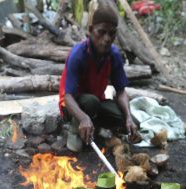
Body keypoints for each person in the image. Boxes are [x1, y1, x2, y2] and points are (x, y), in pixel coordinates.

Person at [58, 5, 139, 152]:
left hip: (97, 102)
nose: (107, 38)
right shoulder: (78, 54)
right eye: (101, 32)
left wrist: (128, 118)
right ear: (90, 30)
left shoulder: (114, 55)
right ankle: (75, 130)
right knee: (91, 102)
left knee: (131, 121)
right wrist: (83, 118)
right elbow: (68, 96)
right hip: (72, 106)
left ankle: (94, 124)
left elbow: (120, 92)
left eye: (112, 33)